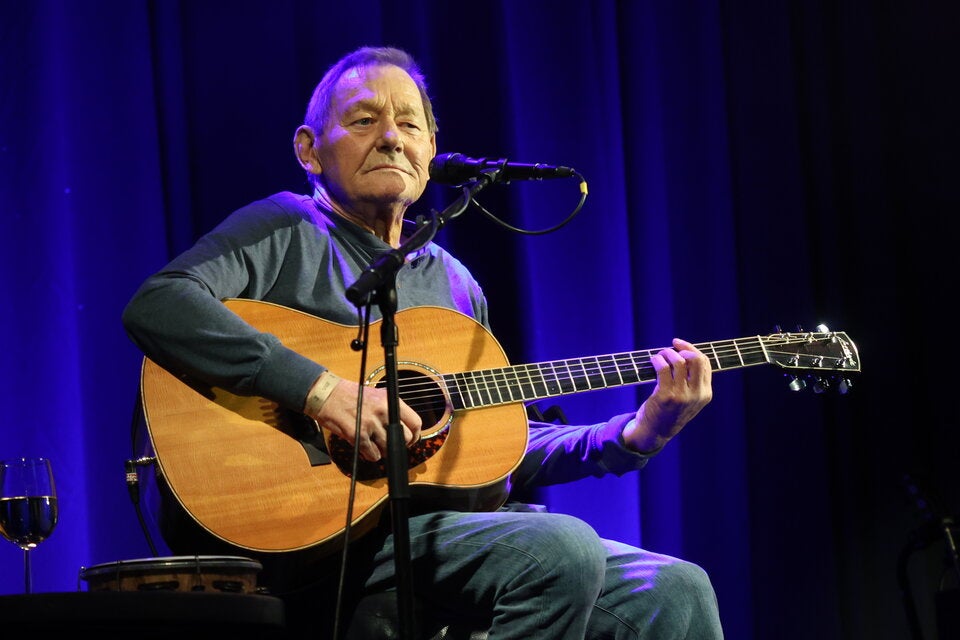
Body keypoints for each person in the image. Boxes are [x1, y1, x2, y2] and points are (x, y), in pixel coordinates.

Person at [122, 45, 723, 640]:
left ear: (431, 150)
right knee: (560, 547)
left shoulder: (455, 283)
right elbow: (159, 304)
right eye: (364, 120)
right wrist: (322, 392)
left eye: (409, 124)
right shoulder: (285, 227)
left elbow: (496, 441)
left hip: (444, 530)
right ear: (309, 149)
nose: (391, 137)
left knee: (676, 588)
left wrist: (635, 434)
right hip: (321, 533)